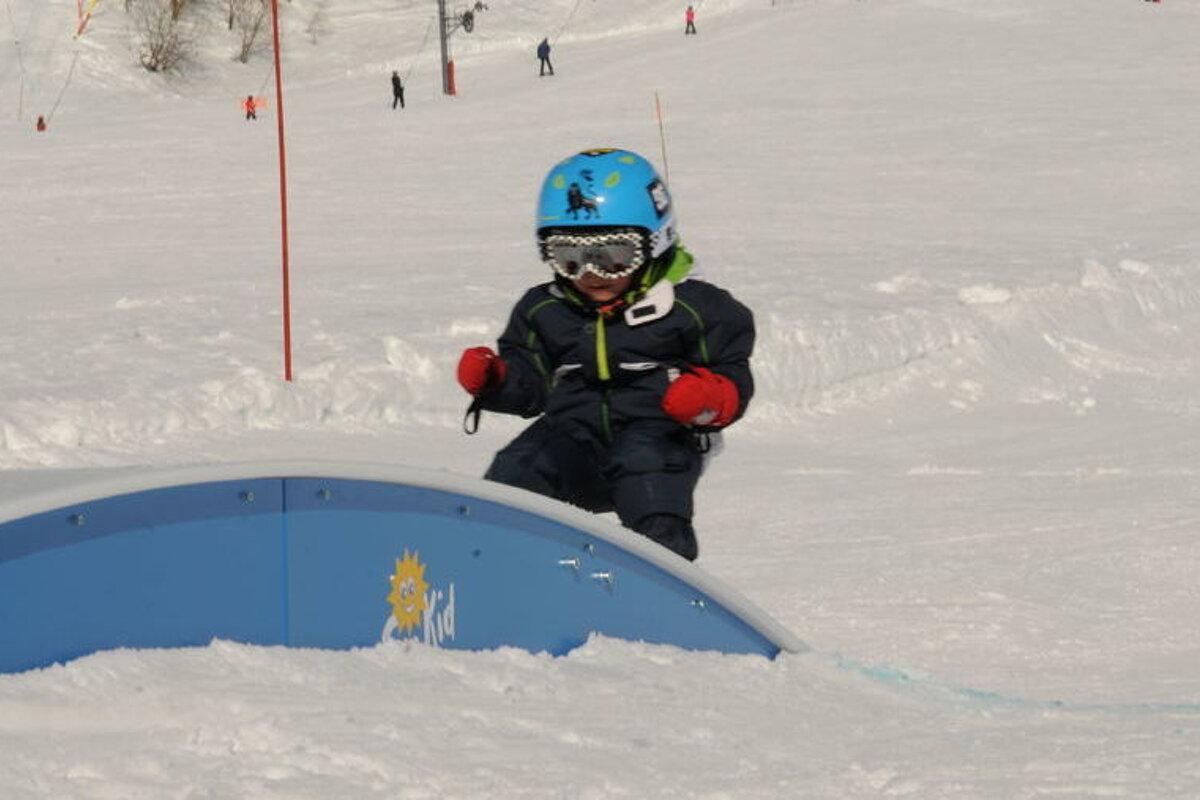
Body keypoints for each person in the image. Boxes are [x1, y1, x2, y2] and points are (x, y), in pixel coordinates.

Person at [455, 148, 755, 562]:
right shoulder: (545, 308)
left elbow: (731, 374)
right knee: (519, 466)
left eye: (613, 257)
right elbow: (532, 384)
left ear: (655, 242)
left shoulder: (693, 307)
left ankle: (663, 579)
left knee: (646, 474)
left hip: (659, 431)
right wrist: (498, 380)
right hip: (572, 434)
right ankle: (490, 561)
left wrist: (707, 399)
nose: (590, 274)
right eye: (569, 257)